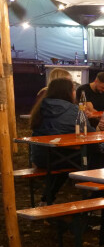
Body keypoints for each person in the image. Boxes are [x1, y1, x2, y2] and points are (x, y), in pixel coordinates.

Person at [28, 77, 79, 205]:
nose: (74, 92)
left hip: (38, 156)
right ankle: (95, 200)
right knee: (88, 159)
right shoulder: (72, 109)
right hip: (56, 157)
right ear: (67, 92)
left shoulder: (41, 106)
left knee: (64, 162)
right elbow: (88, 131)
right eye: (73, 90)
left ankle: (46, 200)